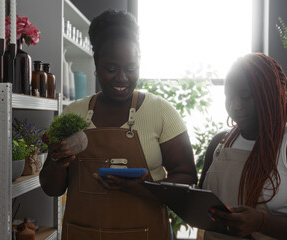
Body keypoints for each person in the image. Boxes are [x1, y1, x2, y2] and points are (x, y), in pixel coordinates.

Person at [39, 9, 197, 240]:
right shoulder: (74, 113)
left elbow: (187, 176)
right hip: (83, 234)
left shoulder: (161, 111)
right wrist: (56, 160)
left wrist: (143, 189)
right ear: (96, 65)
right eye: (111, 69)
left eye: (131, 69)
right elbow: (51, 189)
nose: (122, 78)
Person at [198, 53, 287, 239]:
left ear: (270, 94)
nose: (235, 105)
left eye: (245, 95)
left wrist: (261, 223)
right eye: (229, 96)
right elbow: (202, 205)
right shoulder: (220, 144)